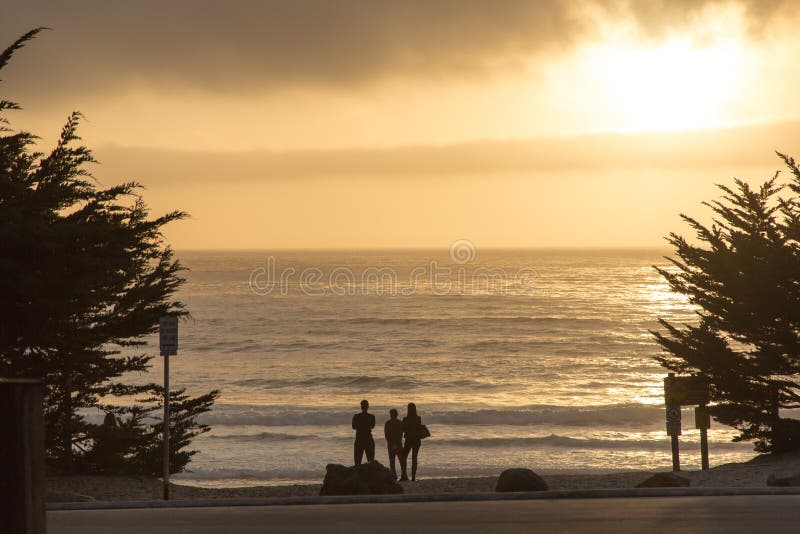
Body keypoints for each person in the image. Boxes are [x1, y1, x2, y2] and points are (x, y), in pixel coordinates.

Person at [400, 402, 423, 481]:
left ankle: (404, 475)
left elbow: (403, 429)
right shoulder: (418, 418)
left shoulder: (405, 419)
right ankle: (413, 477)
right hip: (416, 440)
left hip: (408, 440)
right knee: (414, 458)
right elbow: (419, 428)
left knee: (403, 457)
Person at [352, 399, 376, 465]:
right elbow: (372, 426)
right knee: (371, 461)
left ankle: (358, 474)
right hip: (368, 438)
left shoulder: (356, 416)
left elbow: (353, 426)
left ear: (361, 407)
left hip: (359, 439)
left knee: (357, 461)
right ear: (368, 407)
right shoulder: (371, 417)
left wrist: (360, 426)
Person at [384, 408, 403, 479]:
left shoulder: (387, 423)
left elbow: (387, 435)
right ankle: (403, 474)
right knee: (401, 461)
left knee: (392, 462)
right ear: (397, 414)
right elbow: (401, 434)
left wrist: (391, 443)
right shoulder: (400, 423)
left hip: (391, 444)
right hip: (399, 444)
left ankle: (394, 475)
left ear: (390, 415)